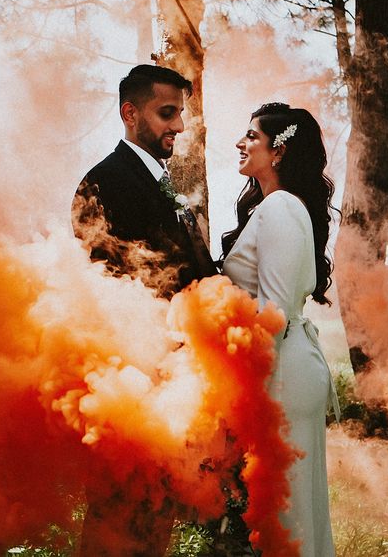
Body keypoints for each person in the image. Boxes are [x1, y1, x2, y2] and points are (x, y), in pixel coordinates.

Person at [72, 64, 217, 557]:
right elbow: (105, 291)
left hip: (171, 386)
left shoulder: (160, 181)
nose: (179, 126)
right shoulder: (104, 183)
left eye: (181, 114)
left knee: (153, 529)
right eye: (167, 113)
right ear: (129, 113)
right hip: (133, 389)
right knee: (118, 528)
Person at [221, 102, 340, 557]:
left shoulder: (283, 208)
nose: (241, 142)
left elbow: (271, 314)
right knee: (291, 514)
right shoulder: (274, 207)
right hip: (286, 365)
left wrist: (244, 393)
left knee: (286, 518)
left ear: (279, 151)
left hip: (282, 374)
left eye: (251, 136)